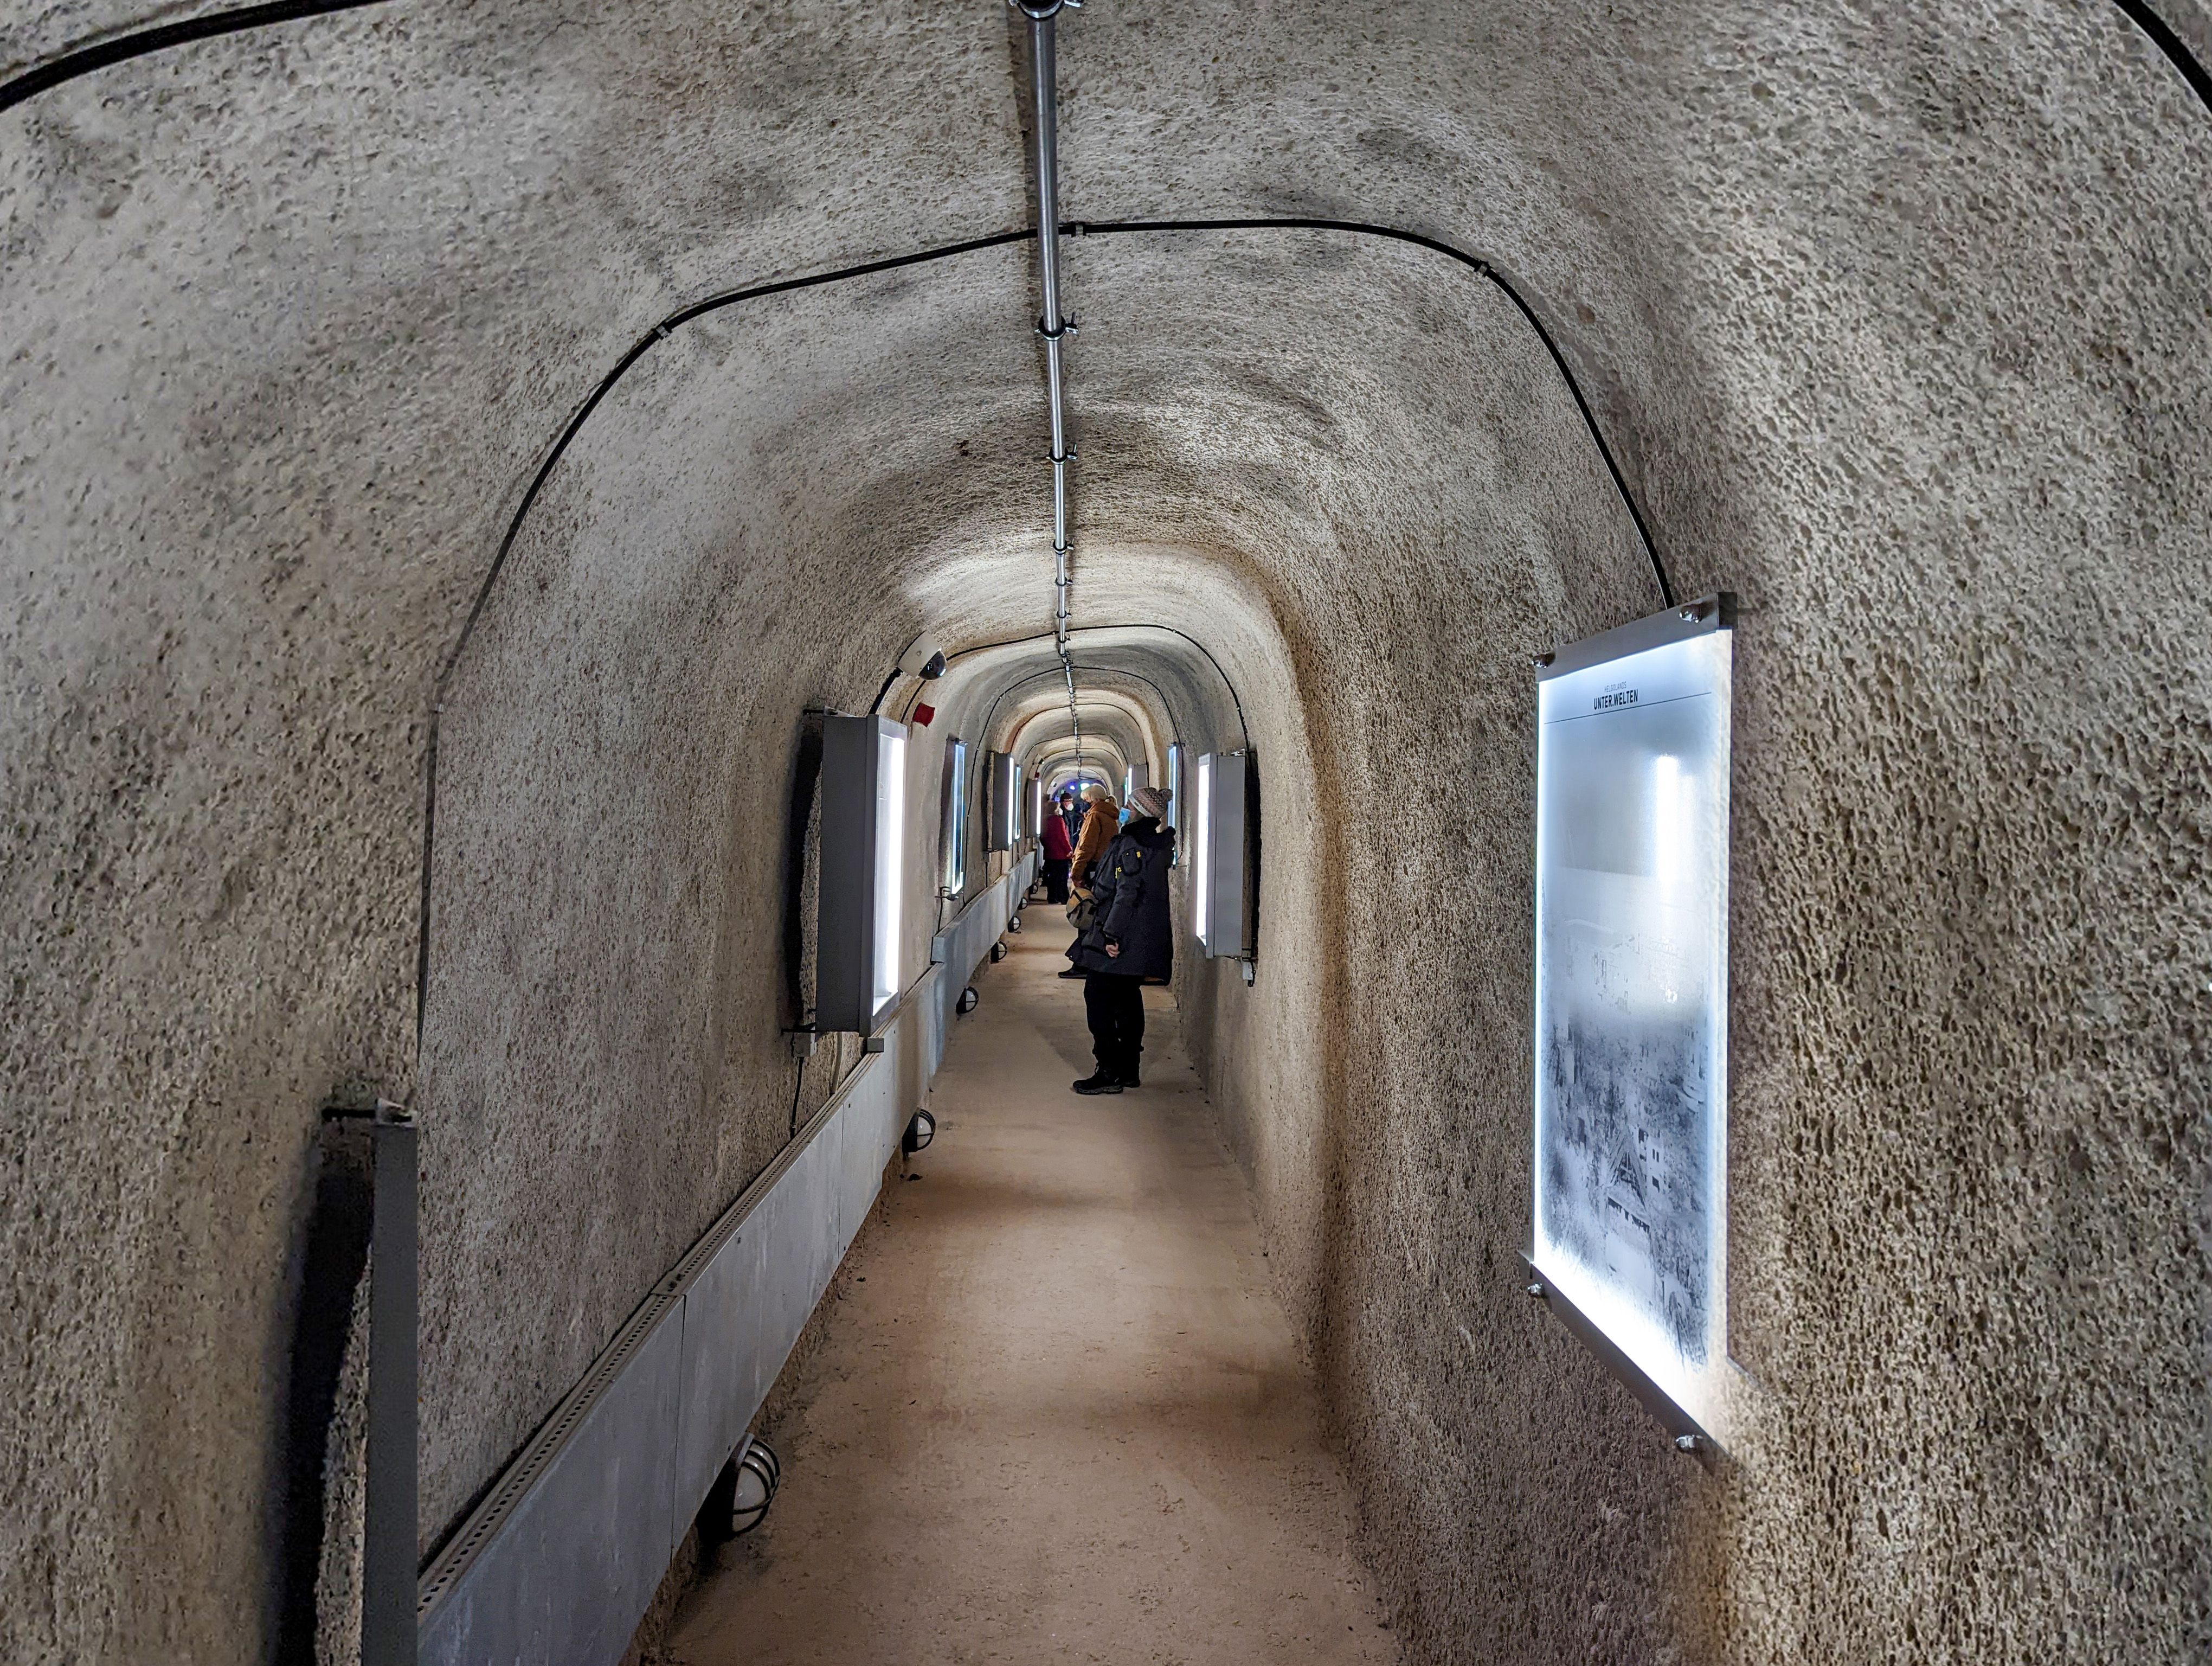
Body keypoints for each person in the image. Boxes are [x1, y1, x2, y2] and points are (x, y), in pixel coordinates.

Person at [1067, 785, 1174, 1093]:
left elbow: (1126, 894)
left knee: (1098, 998)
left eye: (1129, 805)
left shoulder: (1130, 844)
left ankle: (1108, 1071)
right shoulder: (1155, 844)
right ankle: (1129, 1069)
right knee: (1128, 1000)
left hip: (1121, 937)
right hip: (1141, 938)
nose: (1123, 809)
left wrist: (1110, 936)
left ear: (1139, 811)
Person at [1040, 791, 1074, 902]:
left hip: (1050, 854)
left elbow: (1043, 838)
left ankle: (1052, 897)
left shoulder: (1045, 821)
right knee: (1062, 877)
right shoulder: (1058, 820)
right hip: (1060, 855)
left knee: (1053, 877)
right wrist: (1069, 850)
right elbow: (1063, 837)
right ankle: (1063, 897)